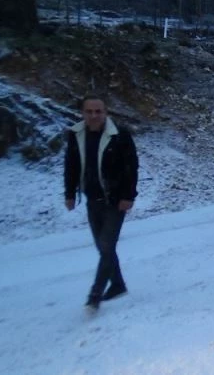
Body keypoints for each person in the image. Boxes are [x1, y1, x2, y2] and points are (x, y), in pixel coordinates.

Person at [64, 94, 139, 310]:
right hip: (92, 198)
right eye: (89, 111)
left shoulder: (120, 135)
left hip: (115, 200)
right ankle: (117, 284)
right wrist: (70, 193)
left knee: (106, 245)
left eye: (98, 111)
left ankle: (95, 294)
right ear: (82, 113)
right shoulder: (76, 135)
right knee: (103, 246)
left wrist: (128, 196)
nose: (94, 115)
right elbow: (71, 165)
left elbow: (131, 167)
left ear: (105, 112)